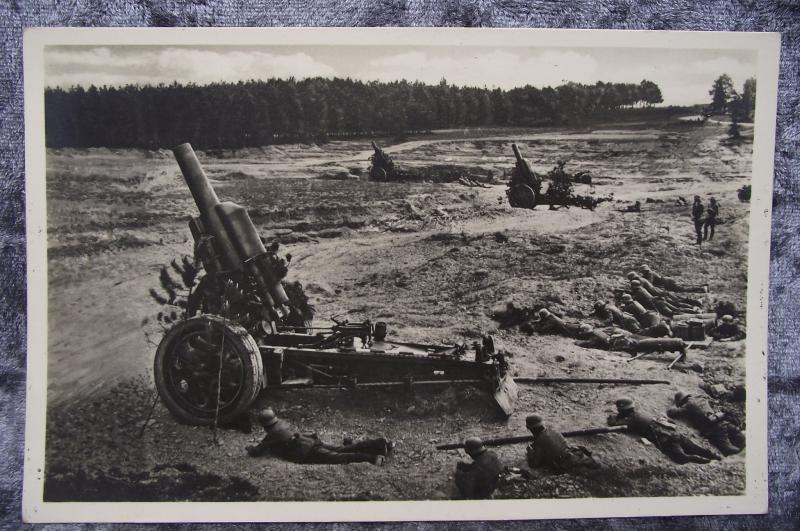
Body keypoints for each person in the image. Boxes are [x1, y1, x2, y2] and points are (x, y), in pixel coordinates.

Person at [246, 408, 390, 466]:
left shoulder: (271, 435)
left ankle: (373, 458)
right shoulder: (282, 424)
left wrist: (250, 448)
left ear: (264, 425)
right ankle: (378, 444)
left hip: (307, 451)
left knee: (339, 457)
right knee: (341, 449)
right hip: (311, 441)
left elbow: (257, 451)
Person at [607, 397, 721, 464]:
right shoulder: (641, 413)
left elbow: (613, 423)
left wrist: (613, 418)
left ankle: (708, 463)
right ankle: (716, 457)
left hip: (668, 441)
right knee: (696, 449)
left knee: (681, 458)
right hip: (675, 435)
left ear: (622, 409)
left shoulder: (631, 420)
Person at [667, 391, 745, 456]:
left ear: (682, 401)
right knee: (740, 436)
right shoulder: (701, 399)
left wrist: (674, 403)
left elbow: (671, 413)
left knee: (727, 449)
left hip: (714, 429)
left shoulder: (688, 406)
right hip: (721, 420)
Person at [525, 415, 598, 472]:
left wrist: (530, 452)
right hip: (574, 455)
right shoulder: (553, 430)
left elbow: (534, 464)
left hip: (566, 464)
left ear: (533, 429)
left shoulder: (540, 441)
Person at [639, 265, 707, 294]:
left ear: (645, 270)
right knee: (683, 286)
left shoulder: (650, 274)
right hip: (666, 281)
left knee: (682, 289)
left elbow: (649, 282)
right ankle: (701, 287)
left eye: (642, 271)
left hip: (667, 283)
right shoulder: (648, 274)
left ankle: (702, 288)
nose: (642, 273)